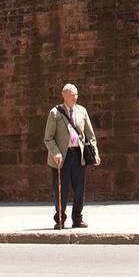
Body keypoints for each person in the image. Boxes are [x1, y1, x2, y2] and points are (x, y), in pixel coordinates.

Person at [42, 82, 99, 230]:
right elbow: (48, 138)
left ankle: (77, 218)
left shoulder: (82, 111)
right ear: (64, 95)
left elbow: (90, 136)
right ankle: (60, 218)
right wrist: (56, 153)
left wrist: (95, 153)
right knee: (61, 189)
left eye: (77, 94)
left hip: (78, 155)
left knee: (79, 188)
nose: (75, 97)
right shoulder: (55, 113)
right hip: (62, 157)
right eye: (72, 95)